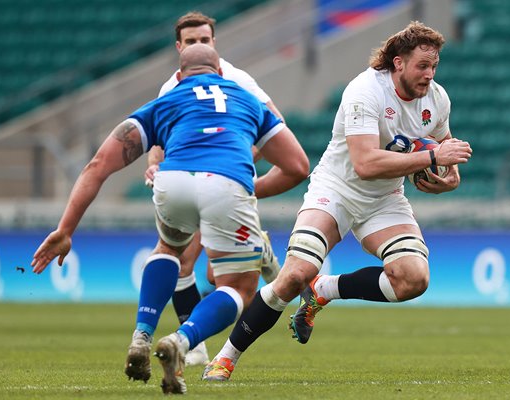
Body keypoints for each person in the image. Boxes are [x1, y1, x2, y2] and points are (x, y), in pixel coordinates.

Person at [201, 21, 473, 381]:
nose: (429, 74)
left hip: (385, 198)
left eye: (434, 66)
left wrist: (447, 178)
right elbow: (365, 163)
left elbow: (442, 150)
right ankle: (225, 357)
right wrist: (432, 160)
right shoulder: (365, 91)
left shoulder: (437, 99)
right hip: (337, 190)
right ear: (398, 63)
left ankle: (325, 289)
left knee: (413, 279)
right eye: (422, 66)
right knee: (294, 275)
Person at [31, 44, 309, 394]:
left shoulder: (164, 102)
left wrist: (65, 229)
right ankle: (181, 340)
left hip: (173, 180)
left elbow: (97, 165)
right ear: (221, 73)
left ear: (179, 76)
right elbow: (298, 166)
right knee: (238, 288)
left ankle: (141, 335)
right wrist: (248, 189)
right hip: (226, 182)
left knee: (169, 248)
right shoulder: (247, 99)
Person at [145, 11, 288, 367]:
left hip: (227, 184)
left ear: (214, 42)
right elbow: (161, 135)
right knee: (182, 264)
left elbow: (275, 123)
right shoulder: (171, 86)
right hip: (193, 180)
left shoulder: (237, 79)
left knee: (215, 274)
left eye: (204, 40)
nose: (198, 45)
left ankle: (259, 250)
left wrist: (239, 155)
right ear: (179, 47)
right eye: (191, 41)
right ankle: (192, 346)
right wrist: (153, 162)